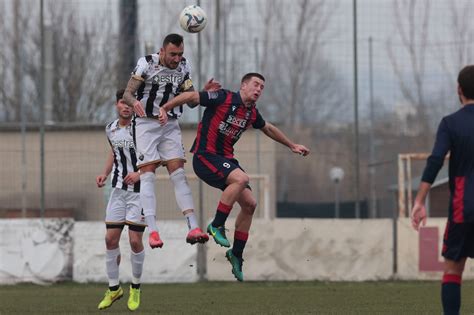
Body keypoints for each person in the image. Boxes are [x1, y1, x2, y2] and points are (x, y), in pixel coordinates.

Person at [158, 72, 310, 281]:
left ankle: (236, 254)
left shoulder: (251, 113)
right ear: (244, 86)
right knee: (242, 179)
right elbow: (191, 98)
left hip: (225, 160)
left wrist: (292, 145)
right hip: (205, 157)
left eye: (262, 88)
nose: (258, 90)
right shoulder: (223, 97)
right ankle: (217, 224)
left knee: (250, 204)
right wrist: (165, 108)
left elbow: (268, 128)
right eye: (256, 85)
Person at [123, 33, 220, 248]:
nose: (177, 59)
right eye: (173, 54)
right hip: (146, 124)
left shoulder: (183, 67)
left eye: (180, 54)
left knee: (178, 174)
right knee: (148, 175)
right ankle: (154, 231)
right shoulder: (146, 63)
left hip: (170, 125)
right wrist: (134, 103)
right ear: (162, 50)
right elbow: (127, 94)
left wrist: (203, 93)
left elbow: (192, 101)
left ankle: (193, 227)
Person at [411, 65, 474, 315]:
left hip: (463, 206)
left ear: (459, 89)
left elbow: (436, 160)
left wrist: (419, 200)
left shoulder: (450, 123)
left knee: (452, 270)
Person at [96, 89, 145, 311]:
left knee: (135, 241)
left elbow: (158, 157)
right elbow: (113, 153)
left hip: (140, 192)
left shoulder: (143, 128)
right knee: (110, 240)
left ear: (135, 105)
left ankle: (135, 287)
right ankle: (114, 288)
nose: (126, 106)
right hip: (117, 190)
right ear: (117, 105)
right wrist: (105, 173)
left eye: (129, 103)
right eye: (122, 103)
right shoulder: (111, 129)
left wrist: (139, 173)